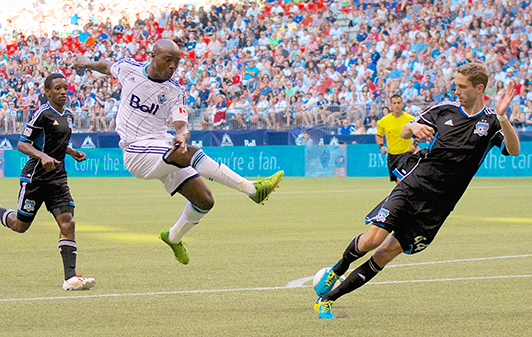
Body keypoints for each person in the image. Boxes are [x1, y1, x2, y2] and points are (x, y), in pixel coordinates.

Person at [313, 63, 520, 319]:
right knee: (372, 240)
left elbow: (512, 150)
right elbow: (404, 129)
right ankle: (337, 269)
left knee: (385, 254)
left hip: (439, 207)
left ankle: (326, 300)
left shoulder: (490, 121)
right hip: (413, 187)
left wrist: (502, 116)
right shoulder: (443, 109)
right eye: (455, 85)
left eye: (462, 87)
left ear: (479, 88)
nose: (456, 91)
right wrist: (413, 128)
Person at [73, 39, 283, 265]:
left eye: (177, 62)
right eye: (168, 60)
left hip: (161, 145)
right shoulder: (129, 69)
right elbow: (107, 66)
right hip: (135, 150)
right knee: (189, 153)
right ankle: (251, 189)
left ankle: (173, 236)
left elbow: (182, 126)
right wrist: (86, 63)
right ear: (152, 56)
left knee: (204, 201)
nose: (173, 66)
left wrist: (181, 136)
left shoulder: (175, 91)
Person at [0, 74, 96, 291]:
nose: (62, 92)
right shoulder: (41, 114)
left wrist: (71, 151)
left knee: (68, 223)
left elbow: (56, 142)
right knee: (20, 226)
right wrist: (42, 156)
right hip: (35, 179)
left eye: (65, 88)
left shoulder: (67, 114)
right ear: (47, 92)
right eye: (57, 88)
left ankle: (70, 278)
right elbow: (22, 144)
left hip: (57, 179)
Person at [375, 95, 416, 184]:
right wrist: (381, 146)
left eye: (398, 103)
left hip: (406, 154)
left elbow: (419, 134)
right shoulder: (384, 121)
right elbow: (379, 135)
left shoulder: (410, 119)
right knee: (398, 182)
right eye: (394, 103)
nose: (397, 105)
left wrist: (415, 144)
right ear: (391, 105)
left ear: (402, 104)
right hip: (392, 155)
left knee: (400, 179)